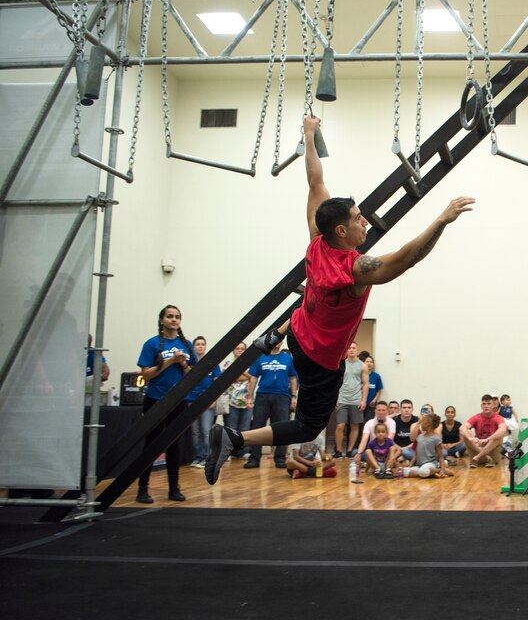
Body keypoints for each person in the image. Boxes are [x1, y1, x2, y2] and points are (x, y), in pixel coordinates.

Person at [205, 115, 475, 485]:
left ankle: (275, 336)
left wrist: (309, 135)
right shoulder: (354, 271)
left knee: (306, 314)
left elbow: (315, 180)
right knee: (307, 426)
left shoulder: (316, 240)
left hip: (298, 333)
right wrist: (441, 220)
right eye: (359, 219)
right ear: (342, 230)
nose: (365, 223)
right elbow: (404, 259)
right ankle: (233, 438)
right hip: (318, 358)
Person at [134, 305, 195, 504]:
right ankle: (142, 489)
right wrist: (170, 361)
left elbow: (193, 374)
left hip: (178, 400)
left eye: (177, 316)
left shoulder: (186, 344)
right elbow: (144, 375)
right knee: (151, 444)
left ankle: (174, 488)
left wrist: (182, 363)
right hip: (155, 399)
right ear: (162, 320)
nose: (174, 320)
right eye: (169, 316)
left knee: (174, 444)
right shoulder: (151, 344)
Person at [243, 339, 297, 469]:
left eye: (280, 340)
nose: (277, 342)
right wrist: (250, 396)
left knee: (282, 428)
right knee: (257, 427)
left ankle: (280, 458)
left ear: (282, 342)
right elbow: (254, 378)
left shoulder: (288, 359)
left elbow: (293, 378)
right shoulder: (260, 357)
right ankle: (254, 458)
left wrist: (294, 396)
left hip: (282, 396)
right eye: (276, 340)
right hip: (263, 396)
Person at [186, 336, 220, 469]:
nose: (200, 346)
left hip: (207, 402)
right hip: (191, 401)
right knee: (195, 433)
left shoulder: (212, 362)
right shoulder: (189, 364)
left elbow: (217, 383)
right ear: (193, 347)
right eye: (197, 344)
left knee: (206, 431)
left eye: (202, 344)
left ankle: (207, 458)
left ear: (205, 347)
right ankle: (198, 457)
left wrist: (214, 399)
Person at [332, 342, 365, 459]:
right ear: (346, 350)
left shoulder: (362, 366)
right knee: (340, 425)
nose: (351, 350)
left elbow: (366, 384)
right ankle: (338, 451)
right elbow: (336, 382)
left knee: (354, 426)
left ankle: (350, 450)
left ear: (357, 350)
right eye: (349, 348)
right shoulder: (341, 364)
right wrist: (335, 397)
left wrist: (363, 400)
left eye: (354, 348)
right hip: (342, 399)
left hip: (356, 400)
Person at [399, 413, 454, 479]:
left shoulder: (436, 439)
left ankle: (438, 470)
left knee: (422, 471)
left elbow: (440, 456)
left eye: (423, 422)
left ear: (429, 425)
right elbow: (416, 454)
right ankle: (431, 473)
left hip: (431, 464)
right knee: (402, 472)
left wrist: (442, 469)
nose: (421, 424)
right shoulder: (419, 437)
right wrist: (410, 465)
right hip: (420, 465)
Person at [460, 394, 509, 468]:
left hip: (492, 455)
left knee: (498, 436)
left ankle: (479, 457)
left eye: (489, 404)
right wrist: (470, 438)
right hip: (477, 451)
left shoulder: (498, 417)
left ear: (493, 405)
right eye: (484, 404)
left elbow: (503, 430)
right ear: (481, 406)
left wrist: (488, 439)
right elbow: (462, 428)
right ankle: (486, 457)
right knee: (467, 433)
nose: (486, 406)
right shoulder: (476, 417)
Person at [222, 342, 253, 457]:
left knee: (244, 429)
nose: (239, 350)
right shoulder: (227, 364)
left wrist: (241, 372)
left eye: (242, 349)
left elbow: (254, 377)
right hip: (231, 401)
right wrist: (247, 375)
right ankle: (229, 452)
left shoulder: (251, 364)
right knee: (231, 428)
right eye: (237, 348)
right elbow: (231, 377)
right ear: (233, 351)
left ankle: (243, 452)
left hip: (247, 401)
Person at [391, 399, 418, 465]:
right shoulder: (394, 420)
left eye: (409, 408)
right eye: (404, 408)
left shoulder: (417, 420)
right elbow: (390, 439)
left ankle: (401, 460)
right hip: (396, 448)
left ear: (412, 410)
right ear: (400, 410)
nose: (406, 410)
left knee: (406, 452)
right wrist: (399, 449)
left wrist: (403, 449)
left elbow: (417, 440)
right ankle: (401, 461)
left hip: (410, 449)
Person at [362, 354, 383, 425]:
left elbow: (379, 390)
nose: (369, 363)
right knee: (359, 424)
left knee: (369, 423)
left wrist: (374, 400)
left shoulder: (376, 376)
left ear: (373, 364)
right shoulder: (359, 375)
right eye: (367, 361)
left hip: (371, 405)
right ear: (364, 363)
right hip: (360, 403)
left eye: (371, 362)